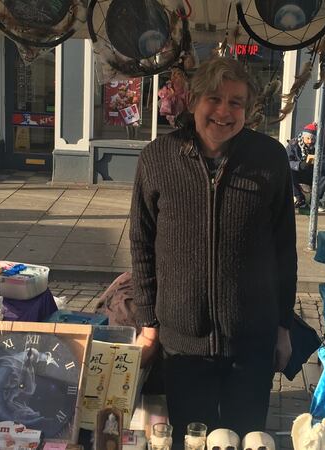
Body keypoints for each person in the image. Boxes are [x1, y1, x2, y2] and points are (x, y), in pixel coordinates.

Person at [130, 57, 297, 447]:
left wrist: (283, 327)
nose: (223, 111)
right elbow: (141, 245)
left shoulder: (269, 158)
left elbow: (285, 251)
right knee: (192, 441)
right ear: (193, 102)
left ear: (248, 109)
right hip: (183, 345)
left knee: (245, 439)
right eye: (214, 98)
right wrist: (149, 323)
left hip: (252, 341)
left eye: (236, 102)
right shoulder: (158, 157)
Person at [286, 122, 325, 211]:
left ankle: (316, 200)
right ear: (303, 137)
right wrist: (299, 165)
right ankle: (299, 198)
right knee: (288, 170)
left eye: (313, 139)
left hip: (312, 173)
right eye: (308, 138)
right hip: (298, 172)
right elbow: (287, 161)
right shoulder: (293, 144)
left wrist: (317, 163)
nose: (310, 141)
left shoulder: (320, 146)